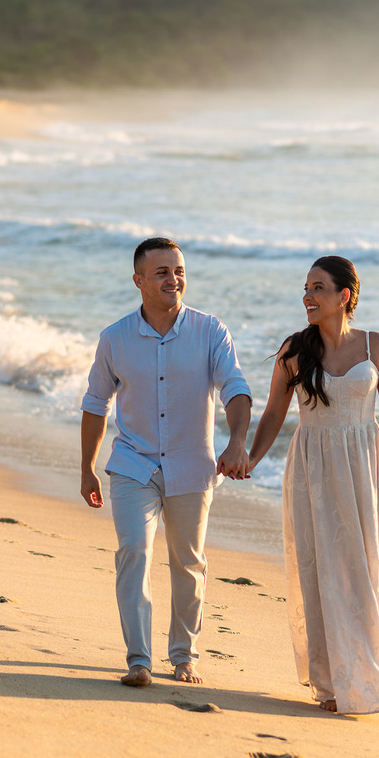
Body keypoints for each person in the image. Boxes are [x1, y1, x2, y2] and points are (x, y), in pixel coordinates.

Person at [248, 255, 379, 714]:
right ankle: (332, 682)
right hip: (315, 470)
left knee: (369, 570)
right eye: (306, 288)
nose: (307, 296)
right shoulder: (294, 351)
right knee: (322, 570)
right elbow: (272, 414)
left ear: (344, 295)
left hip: (366, 468)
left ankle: (366, 666)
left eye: (318, 288)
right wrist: (250, 458)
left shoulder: (375, 346)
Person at [81, 237, 252, 687]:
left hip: (192, 466)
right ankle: (139, 659)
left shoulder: (210, 331)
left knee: (189, 562)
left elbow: (234, 387)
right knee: (133, 550)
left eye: (178, 270)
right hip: (133, 464)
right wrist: (87, 467)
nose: (173, 279)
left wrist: (237, 441)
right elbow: (96, 404)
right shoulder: (115, 338)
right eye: (162, 272)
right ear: (139, 281)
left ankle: (184, 655)